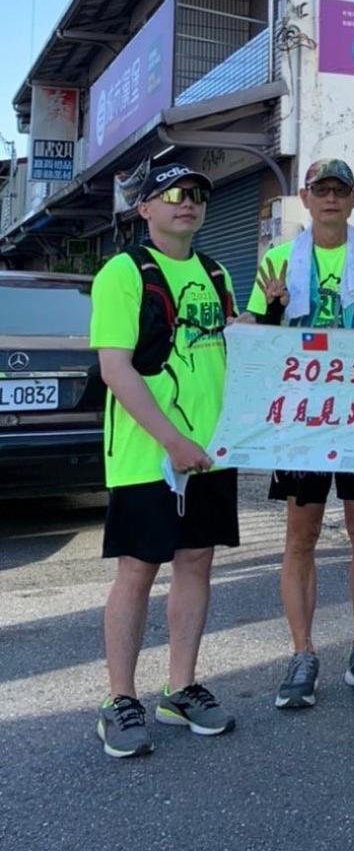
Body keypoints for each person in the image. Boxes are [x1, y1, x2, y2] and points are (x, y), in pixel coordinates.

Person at [239, 158, 354, 711]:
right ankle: (302, 653)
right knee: (300, 537)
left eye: (339, 190)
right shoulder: (279, 259)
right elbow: (259, 338)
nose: (330, 198)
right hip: (302, 419)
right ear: (305, 199)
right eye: (320, 190)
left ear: (353, 199)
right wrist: (269, 311)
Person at [90, 162, 238, 759]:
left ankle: (180, 688)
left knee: (196, 562)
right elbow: (115, 368)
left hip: (210, 453)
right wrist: (172, 440)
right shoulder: (123, 272)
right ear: (144, 208)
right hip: (146, 455)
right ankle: (120, 700)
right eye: (173, 193)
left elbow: (230, 349)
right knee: (138, 569)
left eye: (197, 193)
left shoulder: (217, 272)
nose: (188, 202)